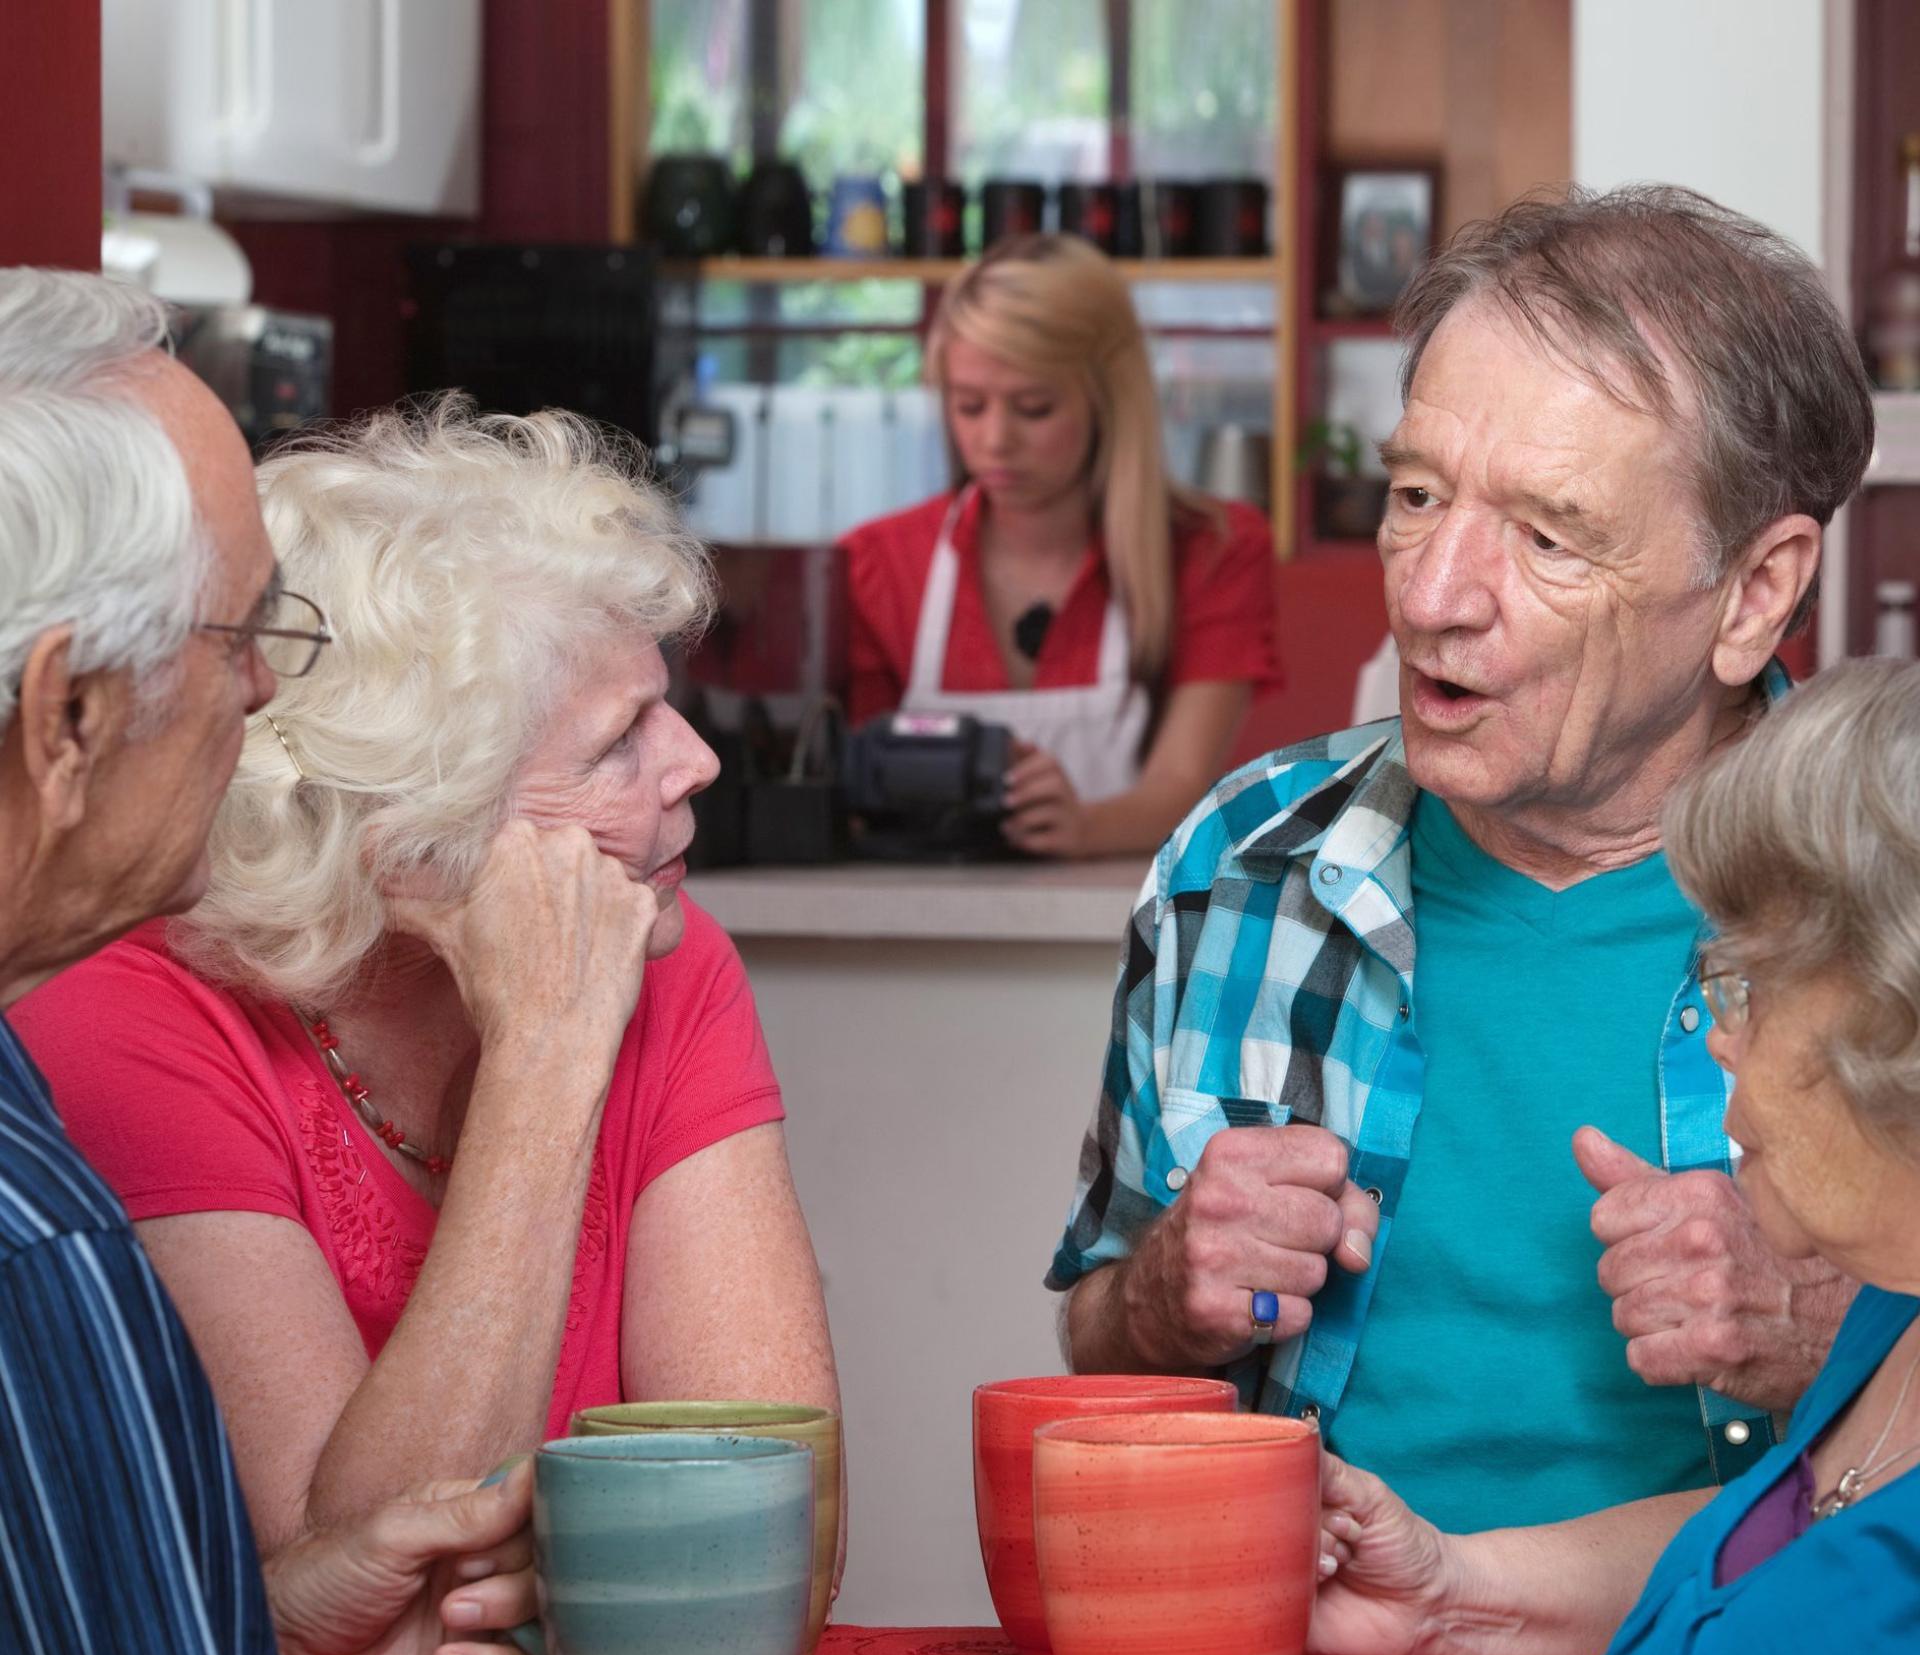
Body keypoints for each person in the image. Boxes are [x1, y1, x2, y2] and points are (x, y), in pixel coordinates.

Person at [1049, 186, 1875, 1534]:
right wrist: (1162, 1293)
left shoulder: (1887, 897)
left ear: (1756, 592)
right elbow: (1099, 1343)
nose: (1432, 594)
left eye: (1550, 536)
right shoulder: (1242, 864)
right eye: (1418, 495)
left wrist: (1829, 1326)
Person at [14, 395, 842, 1563]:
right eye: (620, 740)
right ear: (409, 834)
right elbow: (350, 1580)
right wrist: (547, 1060)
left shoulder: (662, 947)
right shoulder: (132, 1011)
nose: (697, 761)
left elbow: (763, 1527)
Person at [0, 267, 541, 1655]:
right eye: (244, 636)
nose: (264, 695)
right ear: (69, 715)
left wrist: (239, 1620)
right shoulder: (35, 1247)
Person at [1310, 659, 1920, 1655]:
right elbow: (1782, 1558)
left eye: (1749, 979)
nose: (1723, 1032)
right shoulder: (1891, 1317)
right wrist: (1446, 1598)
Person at [840, 233, 1276, 859]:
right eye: (968, 406)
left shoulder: (1215, 552)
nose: (994, 440)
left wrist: (1086, 827)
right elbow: (852, 792)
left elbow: (1182, 786)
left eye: (1034, 408)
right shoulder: (877, 565)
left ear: (1107, 401)